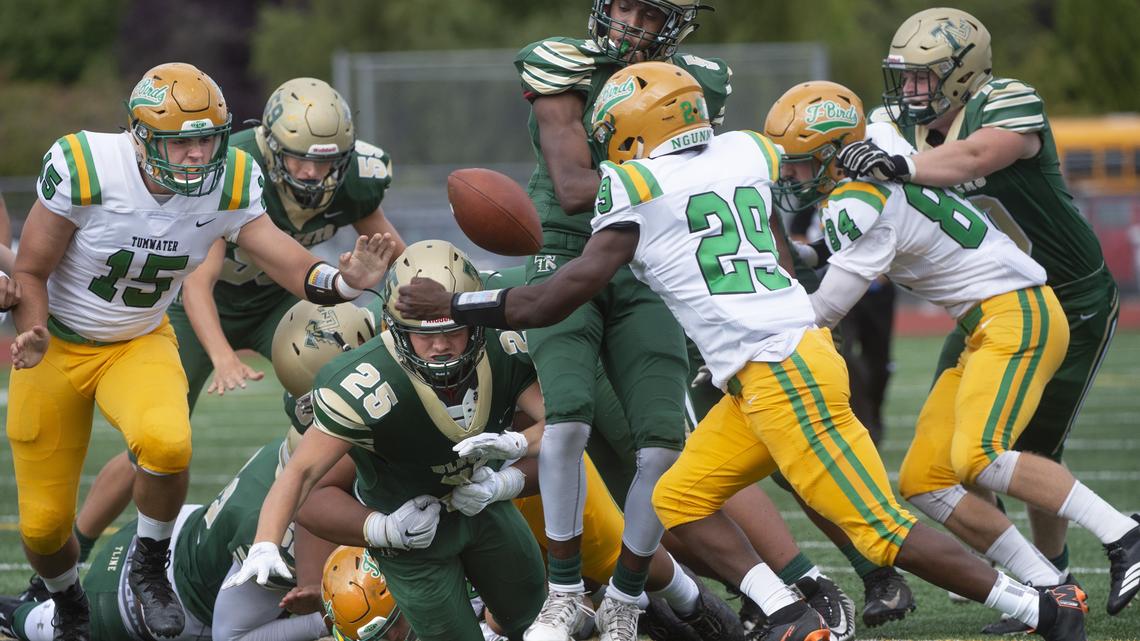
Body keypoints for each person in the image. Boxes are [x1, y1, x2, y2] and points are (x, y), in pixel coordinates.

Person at [395, 62, 1092, 641]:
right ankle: (768, 612)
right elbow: (775, 206)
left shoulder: (645, 187)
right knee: (675, 499)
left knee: (881, 528)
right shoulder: (748, 152)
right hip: (762, 371)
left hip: (784, 372)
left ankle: (1039, 606)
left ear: (642, 128)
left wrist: (455, 304)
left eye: (612, 129)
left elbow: (555, 291)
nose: (608, 142)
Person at [5, 62, 395, 641]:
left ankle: (149, 563)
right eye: (181, 142)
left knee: (167, 442)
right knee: (41, 529)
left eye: (207, 139)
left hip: (139, 338)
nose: (196, 155)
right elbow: (32, 269)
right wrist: (31, 330)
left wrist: (343, 283)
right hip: (58, 346)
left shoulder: (230, 177)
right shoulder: (86, 166)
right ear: (141, 137)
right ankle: (66, 603)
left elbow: (283, 256)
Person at [836, 6, 1139, 627]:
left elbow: (973, 158)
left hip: (1069, 295)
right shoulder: (902, 124)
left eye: (923, 77)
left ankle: (1107, 546)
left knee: (1024, 447)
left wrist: (899, 165)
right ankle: (1049, 580)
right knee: (948, 456)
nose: (909, 91)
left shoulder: (1005, 102)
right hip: (986, 303)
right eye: (904, 77)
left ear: (963, 73)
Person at [512, 3, 779, 639]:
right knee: (568, 419)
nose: (632, 23)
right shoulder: (562, 63)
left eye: (650, 13)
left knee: (662, 443)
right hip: (569, 248)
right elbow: (576, 188)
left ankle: (627, 602)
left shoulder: (692, 83)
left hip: (648, 264)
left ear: (677, 25)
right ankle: (563, 590)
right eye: (624, 5)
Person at [224, 241, 549, 641]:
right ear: (394, 327)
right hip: (410, 535)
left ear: (476, 321)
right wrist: (376, 528)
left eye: (454, 330)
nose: (441, 345)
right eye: (423, 334)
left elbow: (563, 428)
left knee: (533, 613)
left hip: (484, 505)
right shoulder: (365, 383)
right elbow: (303, 472)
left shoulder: (501, 349)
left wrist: (507, 474)